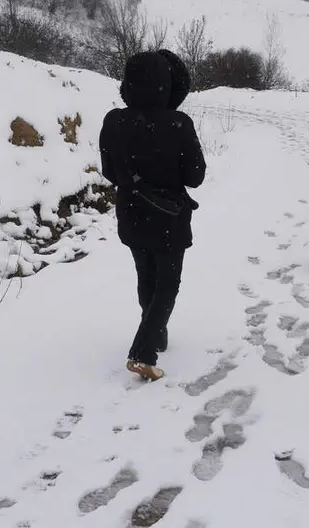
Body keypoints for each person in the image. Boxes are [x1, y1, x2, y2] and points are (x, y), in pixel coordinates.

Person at [99, 51, 206, 381]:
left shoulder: (114, 121)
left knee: (146, 277)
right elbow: (195, 177)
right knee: (167, 284)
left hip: (131, 214)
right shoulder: (178, 123)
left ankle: (156, 333)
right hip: (168, 218)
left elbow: (109, 172)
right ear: (166, 85)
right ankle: (143, 351)